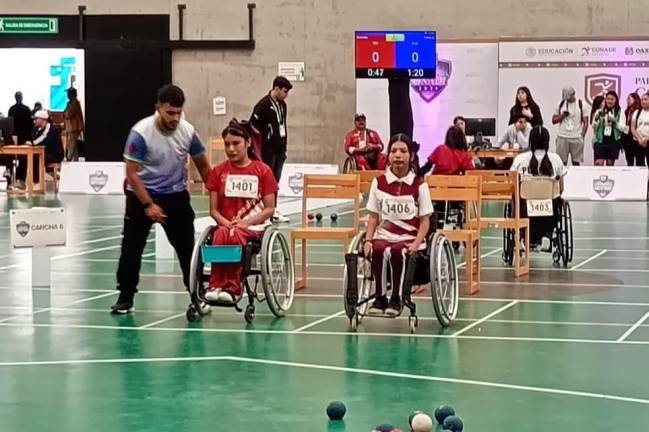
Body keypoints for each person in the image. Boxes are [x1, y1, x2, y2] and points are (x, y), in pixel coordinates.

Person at [111, 84, 211, 314]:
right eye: (170, 113)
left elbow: (204, 167)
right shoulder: (141, 133)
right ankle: (125, 297)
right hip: (140, 195)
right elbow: (131, 174)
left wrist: (219, 192)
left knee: (188, 249)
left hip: (175, 195)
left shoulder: (188, 132)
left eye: (178, 112)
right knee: (131, 249)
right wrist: (148, 204)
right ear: (158, 108)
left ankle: (198, 295)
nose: (175, 118)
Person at [204, 119, 279, 302]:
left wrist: (245, 222)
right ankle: (216, 285)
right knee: (221, 235)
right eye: (227, 144)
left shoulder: (263, 171)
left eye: (236, 143)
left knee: (235, 235)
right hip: (227, 224)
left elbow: (270, 209)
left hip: (255, 227)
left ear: (248, 143)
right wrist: (226, 223)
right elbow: (213, 210)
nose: (231, 149)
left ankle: (233, 288)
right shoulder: (218, 172)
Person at [364, 133, 433, 316]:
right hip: (384, 235)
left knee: (398, 251)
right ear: (388, 155)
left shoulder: (419, 185)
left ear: (411, 155)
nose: (398, 155)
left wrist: (417, 243)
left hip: (410, 238)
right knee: (378, 249)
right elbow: (373, 217)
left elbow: (425, 221)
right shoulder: (378, 183)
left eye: (403, 151)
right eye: (393, 151)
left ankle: (397, 299)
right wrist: (368, 240)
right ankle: (379, 298)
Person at [510, 126, 566, 250]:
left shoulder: (520, 160)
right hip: (550, 213)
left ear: (531, 140)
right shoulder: (556, 159)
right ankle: (545, 235)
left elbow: (513, 185)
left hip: (524, 210)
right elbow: (561, 188)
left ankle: (524, 237)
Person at [250, 75, 292, 223]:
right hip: (267, 150)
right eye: (285, 91)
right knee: (266, 181)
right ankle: (263, 211)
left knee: (276, 181)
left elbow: (283, 126)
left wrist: (284, 146)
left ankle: (273, 209)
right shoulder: (263, 105)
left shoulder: (283, 105)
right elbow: (252, 126)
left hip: (280, 149)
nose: (286, 95)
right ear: (276, 89)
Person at [19, 110, 64, 184]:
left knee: (35, 157)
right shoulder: (35, 129)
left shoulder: (52, 129)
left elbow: (42, 141)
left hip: (53, 155)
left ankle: (36, 182)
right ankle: (20, 181)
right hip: (41, 152)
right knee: (24, 156)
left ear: (42, 120)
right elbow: (32, 139)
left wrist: (32, 144)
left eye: (36, 119)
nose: (34, 121)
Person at [551, 86, 588, 166]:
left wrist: (582, 135)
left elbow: (585, 121)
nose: (567, 99)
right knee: (561, 162)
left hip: (576, 137)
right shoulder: (561, 104)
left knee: (576, 162)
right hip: (562, 136)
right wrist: (562, 116)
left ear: (573, 94)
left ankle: (577, 178)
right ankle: (562, 178)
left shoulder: (581, 104)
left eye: (569, 97)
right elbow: (553, 120)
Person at [592, 91, 627, 166]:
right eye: (608, 99)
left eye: (612, 99)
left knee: (610, 165)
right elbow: (594, 128)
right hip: (600, 141)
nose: (610, 101)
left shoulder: (620, 112)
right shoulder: (599, 111)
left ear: (616, 100)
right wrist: (596, 119)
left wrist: (614, 122)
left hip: (613, 141)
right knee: (598, 163)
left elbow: (623, 128)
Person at [64, 87, 84, 161]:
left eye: (68, 93)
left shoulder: (75, 103)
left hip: (75, 127)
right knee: (74, 145)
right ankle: (75, 160)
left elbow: (68, 114)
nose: (67, 95)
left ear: (72, 94)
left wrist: (65, 113)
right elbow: (64, 113)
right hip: (70, 128)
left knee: (72, 144)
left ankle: (69, 159)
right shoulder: (69, 103)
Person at [630, 92, 649, 167]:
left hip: (648, 140)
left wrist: (646, 139)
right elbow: (632, 128)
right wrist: (640, 139)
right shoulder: (637, 112)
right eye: (642, 100)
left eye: (646, 99)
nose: (643, 101)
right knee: (639, 163)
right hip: (638, 142)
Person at [622, 93, 641, 166]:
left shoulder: (639, 111)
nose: (628, 101)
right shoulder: (626, 111)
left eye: (629, 98)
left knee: (639, 159)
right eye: (627, 99)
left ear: (635, 99)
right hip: (627, 138)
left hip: (636, 137)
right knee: (629, 159)